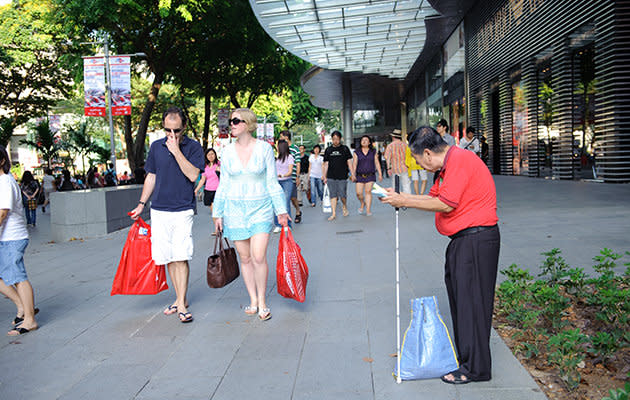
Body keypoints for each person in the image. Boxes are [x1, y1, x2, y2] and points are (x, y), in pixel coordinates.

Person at [381, 126, 500, 385]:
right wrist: (400, 197)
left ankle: (476, 368)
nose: (421, 166)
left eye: (419, 161)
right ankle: (468, 360)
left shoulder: (459, 160)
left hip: (476, 240)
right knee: (463, 301)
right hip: (465, 240)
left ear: (427, 153)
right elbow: (433, 196)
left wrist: (405, 201)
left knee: (472, 304)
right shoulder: (447, 167)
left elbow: (446, 203)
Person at [129, 106, 204, 324]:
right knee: (168, 257)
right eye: (168, 131)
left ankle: (181, 303)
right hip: (159, 209)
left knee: (181, 255)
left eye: (177, 131)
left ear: (185, 127)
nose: (172, 135)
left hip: (182, 208)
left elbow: (193, 176)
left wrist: (176, 151)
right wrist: (142, 203)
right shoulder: (155, 147)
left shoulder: (193, 147)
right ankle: (180, 299)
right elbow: (151, 176)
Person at [213, 108, 289, 321]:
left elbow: (272, 182)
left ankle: (263, 301)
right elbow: (224, 184)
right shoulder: (226, 151)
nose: (232, 125)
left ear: (248, 123)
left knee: (258, 256)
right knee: (245, 258)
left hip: (261, 208)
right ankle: (253, 299)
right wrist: (218, 214)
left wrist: (281, 210)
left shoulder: (264, 148)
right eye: (230, 121)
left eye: (236, 121)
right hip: (235, 210)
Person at [0, 145, 39, 336]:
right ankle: (22, 307)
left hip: (12, 237)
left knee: (18, 277)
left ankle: (30, 319)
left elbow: (2, 212)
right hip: (5, 238)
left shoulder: (5, 182)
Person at [322, 130, 354, 221]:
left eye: (337, 139)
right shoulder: (328, 150)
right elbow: (326, 164)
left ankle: (344, 206)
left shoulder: (345, 149)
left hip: (343, 176)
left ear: (340, 139)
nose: (335, 141)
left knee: (342, 194)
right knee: (333, 195)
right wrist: (324, 176)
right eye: (334, 139)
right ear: (332, 139)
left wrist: (352, 173)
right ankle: (334, 213)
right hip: (331, 176)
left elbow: (349, 162)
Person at [352, 135, 382, 216]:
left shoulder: (373, 152)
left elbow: (377, 162)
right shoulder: (356, 152)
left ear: (369, 142)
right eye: (362, 140)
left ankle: (368, 210)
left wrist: (380, 173)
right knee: (358, 193)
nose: (364, 141)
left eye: (366, 140)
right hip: (359, 175)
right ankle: (362, 203)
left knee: (368, 192)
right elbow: (354, 164)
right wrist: (353, 174)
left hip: (370, 175)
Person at [194, 148, 220, 235]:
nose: (211, 156)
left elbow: (226, 175)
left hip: (218, 190)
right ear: (206, 156)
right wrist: (196, 190)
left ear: (215, 155)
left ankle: (218, 229)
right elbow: (202, 180)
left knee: (215, 211)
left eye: (212, 154)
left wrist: (220, 170)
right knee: (214, 211)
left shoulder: (219, 164)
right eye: (209, 155)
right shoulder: (205, 167)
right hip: (208, 190)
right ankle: (219, 227)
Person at [278, 131, 302, 223]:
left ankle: (298, 211)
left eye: (281, 137)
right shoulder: (281, 148)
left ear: (286, 138)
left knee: (293, 198)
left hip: (292, 176)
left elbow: (298, 163)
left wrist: (297, 176)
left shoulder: (295, 148)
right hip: (282, 178)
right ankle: (286, 220)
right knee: (285, 199)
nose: (280, 139)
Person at [273, 140, 294, 233]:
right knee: (276, 202)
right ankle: (278, 224)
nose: (276, 148)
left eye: (278, 146)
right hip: (277, 182)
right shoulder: (277, 158)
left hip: (287, 181)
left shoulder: (289, 157)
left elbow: (290, 171)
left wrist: (282, 175)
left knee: (285, 202)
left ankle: (287, 225)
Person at [384, 129, 411, 194]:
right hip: (404, 168)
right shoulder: (405, 145)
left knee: (395, 186)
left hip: (394, 168)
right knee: (406, 185)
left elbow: (387, 158)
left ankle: (396, 198)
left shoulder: (390, 146)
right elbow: (409, 156)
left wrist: (388, 168)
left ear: (393, 137)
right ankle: (407, 199)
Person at [434, 119, 455, 183]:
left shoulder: (450, 139)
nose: (437, 128)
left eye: (439, 126)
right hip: (438, 166)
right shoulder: (435, 138)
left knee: (446, 183)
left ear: (444, 127)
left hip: (447, 166)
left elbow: (452, 152)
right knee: (436, 184)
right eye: (437, 126)